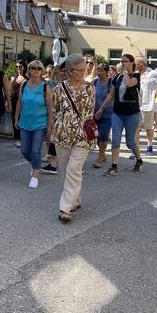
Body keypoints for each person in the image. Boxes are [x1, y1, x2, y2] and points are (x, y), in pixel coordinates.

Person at [50, 54, 95, 222]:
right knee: (65, 170)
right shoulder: (59, 89)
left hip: (83, 135)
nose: (83, 72)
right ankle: (75, 200)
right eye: (79, 70)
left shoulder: (90, 88)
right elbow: (54, 110)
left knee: (73, 168)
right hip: (63, 134)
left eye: (85, 69)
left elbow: (91, 110)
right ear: (69, 71)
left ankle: (65, 208)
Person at [95, 54, 143, 176]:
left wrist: (126, 72)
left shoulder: (136, 76)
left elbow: (129, 84)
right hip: (117, 113)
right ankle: (114, 166)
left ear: (132, 63)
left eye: (125, 61)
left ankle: (139, 160)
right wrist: (101, 109)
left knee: (130, 142)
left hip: (132, 114)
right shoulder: (117, 78)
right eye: (121, 61)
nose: (123, 63)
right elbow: (111, 95)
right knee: (115, 140)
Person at [14, 60, 53, 188]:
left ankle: (35, 175)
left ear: (42, 71)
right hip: (25, 122)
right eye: (33, 68)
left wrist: (50, 124)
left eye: (39, 68)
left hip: (40, 124)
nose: (36, 70)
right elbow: (19, 102)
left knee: (35, 150)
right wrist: (16, 118)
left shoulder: (45, 87)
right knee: (25, 150)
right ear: (29, 70)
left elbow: (50, 108)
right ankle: (36, 165)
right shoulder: (24, 84)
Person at [134, 56, 157, 156]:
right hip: (136, 106)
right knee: (136, 129)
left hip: (147, 106)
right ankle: (136, 149)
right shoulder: (135, 74)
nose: (134, 65)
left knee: (148, 128)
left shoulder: (152, 74)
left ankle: (149, 146)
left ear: (142, 64)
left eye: (136, 63)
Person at [41, 61, 67, 174]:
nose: (63, 73)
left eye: (66, 71)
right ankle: (53, 162)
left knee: (62, 140)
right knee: (53, 137)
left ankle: (55, 163)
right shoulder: (52, 84)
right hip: (56, 114)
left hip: (67, 117)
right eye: (62, 70)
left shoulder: (70, 84)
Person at [91, 63, 113, 168]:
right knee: (95, 136)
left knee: (103, 135)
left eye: (101, 70)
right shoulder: (94, 82)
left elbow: (111, 98)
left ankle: (100, 157)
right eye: (98, 70)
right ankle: (102, 154)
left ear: (106, 72)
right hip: (94, 113)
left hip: (107, 114)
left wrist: (101, 110)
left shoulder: (111, 83)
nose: (98, 72)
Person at [9, 60, 27, 148]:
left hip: (24, 100)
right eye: (17, 67)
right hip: (14, 100)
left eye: (20, 66)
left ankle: (23, 137)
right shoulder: (14, 77)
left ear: (24, 67)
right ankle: (18, 138)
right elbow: (10, 90)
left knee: (22, 118)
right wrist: (8, 101)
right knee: (15, 118)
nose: (18, 68)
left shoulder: (27, 78)